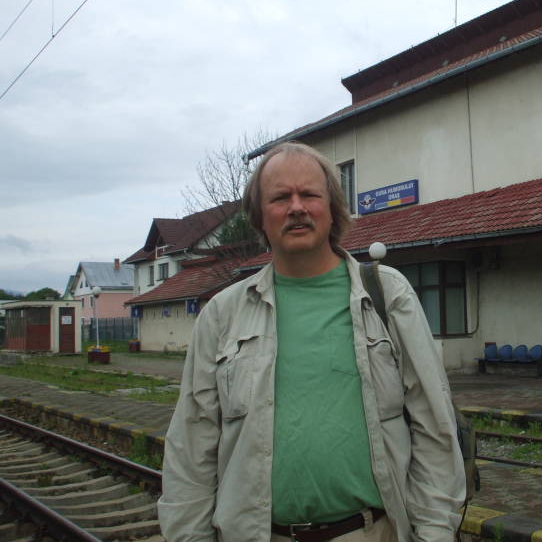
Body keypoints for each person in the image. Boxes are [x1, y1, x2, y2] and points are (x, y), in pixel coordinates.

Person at [157, 141, 466, 542]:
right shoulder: (222, 315)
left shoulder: (388, 295)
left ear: (333, 208)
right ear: (259, 217)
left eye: (310, 194)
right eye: (281, 197)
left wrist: (435, 533)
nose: (297, 207)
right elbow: (192, 446)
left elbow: (434, 427)